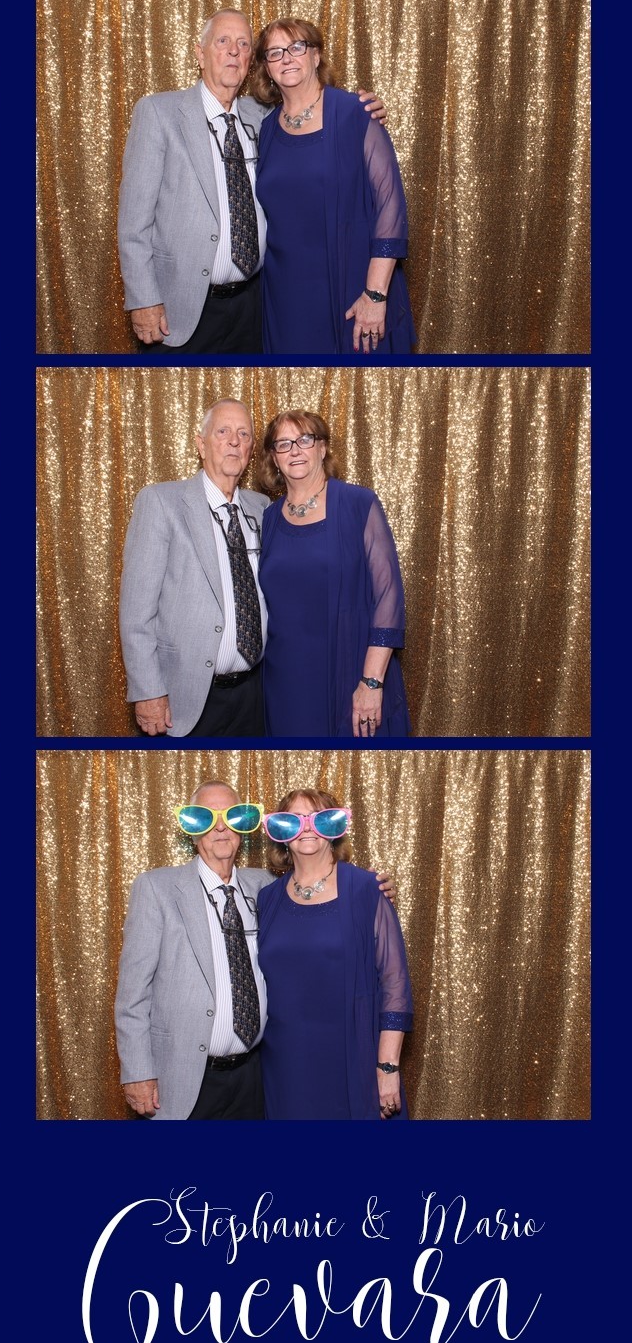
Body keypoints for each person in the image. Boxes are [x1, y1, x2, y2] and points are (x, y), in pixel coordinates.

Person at [117, 9, 384, 354]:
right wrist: (143, 299)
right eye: (223, 41)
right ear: (200, 54)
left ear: (251, 61)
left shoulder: (263, 116)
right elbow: (133, 223)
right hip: (179, 311)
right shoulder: (159, 113)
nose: (234, 51)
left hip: (254, 307)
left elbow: (310, 110)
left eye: (243, 44)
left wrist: (361, 110)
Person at [250, 18, 415, 355]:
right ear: (267, 68)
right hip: (285, 298)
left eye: (297, 47)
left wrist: (375, 294)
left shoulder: (354, 113)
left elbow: (390, 204)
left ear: (316, 56)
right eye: (275, 52)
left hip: (351, 286)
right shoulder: (266, 129)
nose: (287, 58)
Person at [115, 781, 275, 1119]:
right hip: (184, 1078)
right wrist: (137, 1071)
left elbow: (315, 891)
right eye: (206, 817)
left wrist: (373, 890)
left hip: (254, 1076)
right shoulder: (156, 888)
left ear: (243, 827)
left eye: (231, 816)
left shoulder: (264, 885)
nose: (220, 827)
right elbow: (133, 994)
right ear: (192, 830)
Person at [256, 789, 412, 1119]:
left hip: (352, 1057)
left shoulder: (366, 889)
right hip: (284, 1064)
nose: (307, 828)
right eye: (293, 820)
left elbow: (395, 983)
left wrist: (387, 1066)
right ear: (279, 833)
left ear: (335, 828)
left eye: (319, 819)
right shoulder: (267, 898)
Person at [119, 399, 269, 738]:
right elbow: (136, 612)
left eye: (244, 434)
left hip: (254, 696)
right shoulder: (161, 502)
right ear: (201, 445)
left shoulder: (262, 508)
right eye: (223, 431)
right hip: (183, 700)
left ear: (250, 450)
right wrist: (147, 691)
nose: (234, 441)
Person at [256, 409, 409, 738]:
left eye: (305, 439)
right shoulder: (268, 519)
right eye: (283, 444)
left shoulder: (358, 503)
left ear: (322, 448)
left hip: (350, 671)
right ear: (274, 457)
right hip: (285, 684)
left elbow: (389, 596)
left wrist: (371, 682)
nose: (295, 450)